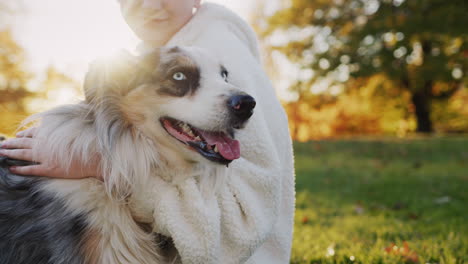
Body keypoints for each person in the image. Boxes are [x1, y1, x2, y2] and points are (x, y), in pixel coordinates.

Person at [0, 1, 295, 263]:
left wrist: (96, 165)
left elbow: (243, 218)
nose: (150, 5)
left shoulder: (220, 45)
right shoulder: (159, 51)